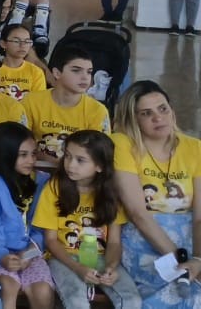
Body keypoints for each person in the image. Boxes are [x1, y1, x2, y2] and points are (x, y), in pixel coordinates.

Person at [109, 81, 201, 307]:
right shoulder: (122, 144)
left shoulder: (194, 148)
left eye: (163, 109)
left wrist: (197, 260)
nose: (158, 118)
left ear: (172, 111)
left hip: (191, 237)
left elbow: (200, 217)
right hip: (146, 238)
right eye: (146, 113)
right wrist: (181, 261)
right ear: (134, 119)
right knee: (180, 291)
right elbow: (138, 213)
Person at [33, 131, 141, 308]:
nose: (70, 164)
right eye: (68, 156)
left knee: (132, 300)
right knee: (76, 298)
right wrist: (77, 268)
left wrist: (111, 267)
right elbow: (51, 241)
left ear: (99, 166)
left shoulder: (112, 194)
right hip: (63, 257)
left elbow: (114, 242)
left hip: (101, 257)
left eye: (80, 160)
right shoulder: (54, 188)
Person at [0, 122, 56, 309]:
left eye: (33, 154)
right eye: (23, 155)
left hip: (31, 253)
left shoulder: (42, 181)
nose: (31, 160)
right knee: (7, 286)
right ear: (6, 154)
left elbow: (41, 228)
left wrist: (29, 253)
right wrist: (2, 255)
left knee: (43, 290)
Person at [22, 45, 111, 165]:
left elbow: (100, 154)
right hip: (34, 168)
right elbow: (19, 143)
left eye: (89, 72)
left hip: (77, 173)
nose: (85, 77)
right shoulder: (31, 101)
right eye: (76, 70)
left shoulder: (97, 111)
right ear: (57, 73)